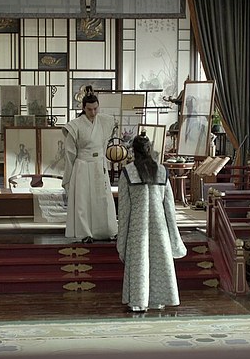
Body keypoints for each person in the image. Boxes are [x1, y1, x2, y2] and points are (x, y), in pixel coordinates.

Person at [117, 133, 187, 312]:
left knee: (139, 262)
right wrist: (174, 236)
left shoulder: (128, 172)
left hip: (137, 226)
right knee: (159, 261)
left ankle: (138, 301)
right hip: (159, 226)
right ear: (150, 150)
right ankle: (158, 300)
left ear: (133, 151)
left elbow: (123, 211)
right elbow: (169, 207)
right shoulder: (162, 171)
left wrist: (121, 241)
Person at [62, 86, 118, 242]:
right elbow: (70, 153)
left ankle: (107, 230)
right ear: (83, 108)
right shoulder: (75, 125)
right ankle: (84, 233)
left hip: (99, 164)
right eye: (89, 109)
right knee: (83, 200)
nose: (93, 112)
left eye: (95, 109)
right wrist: (68, 175)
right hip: (82, 165)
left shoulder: (105, 121)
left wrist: (104, 163)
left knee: (103, 199)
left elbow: (104, 143)